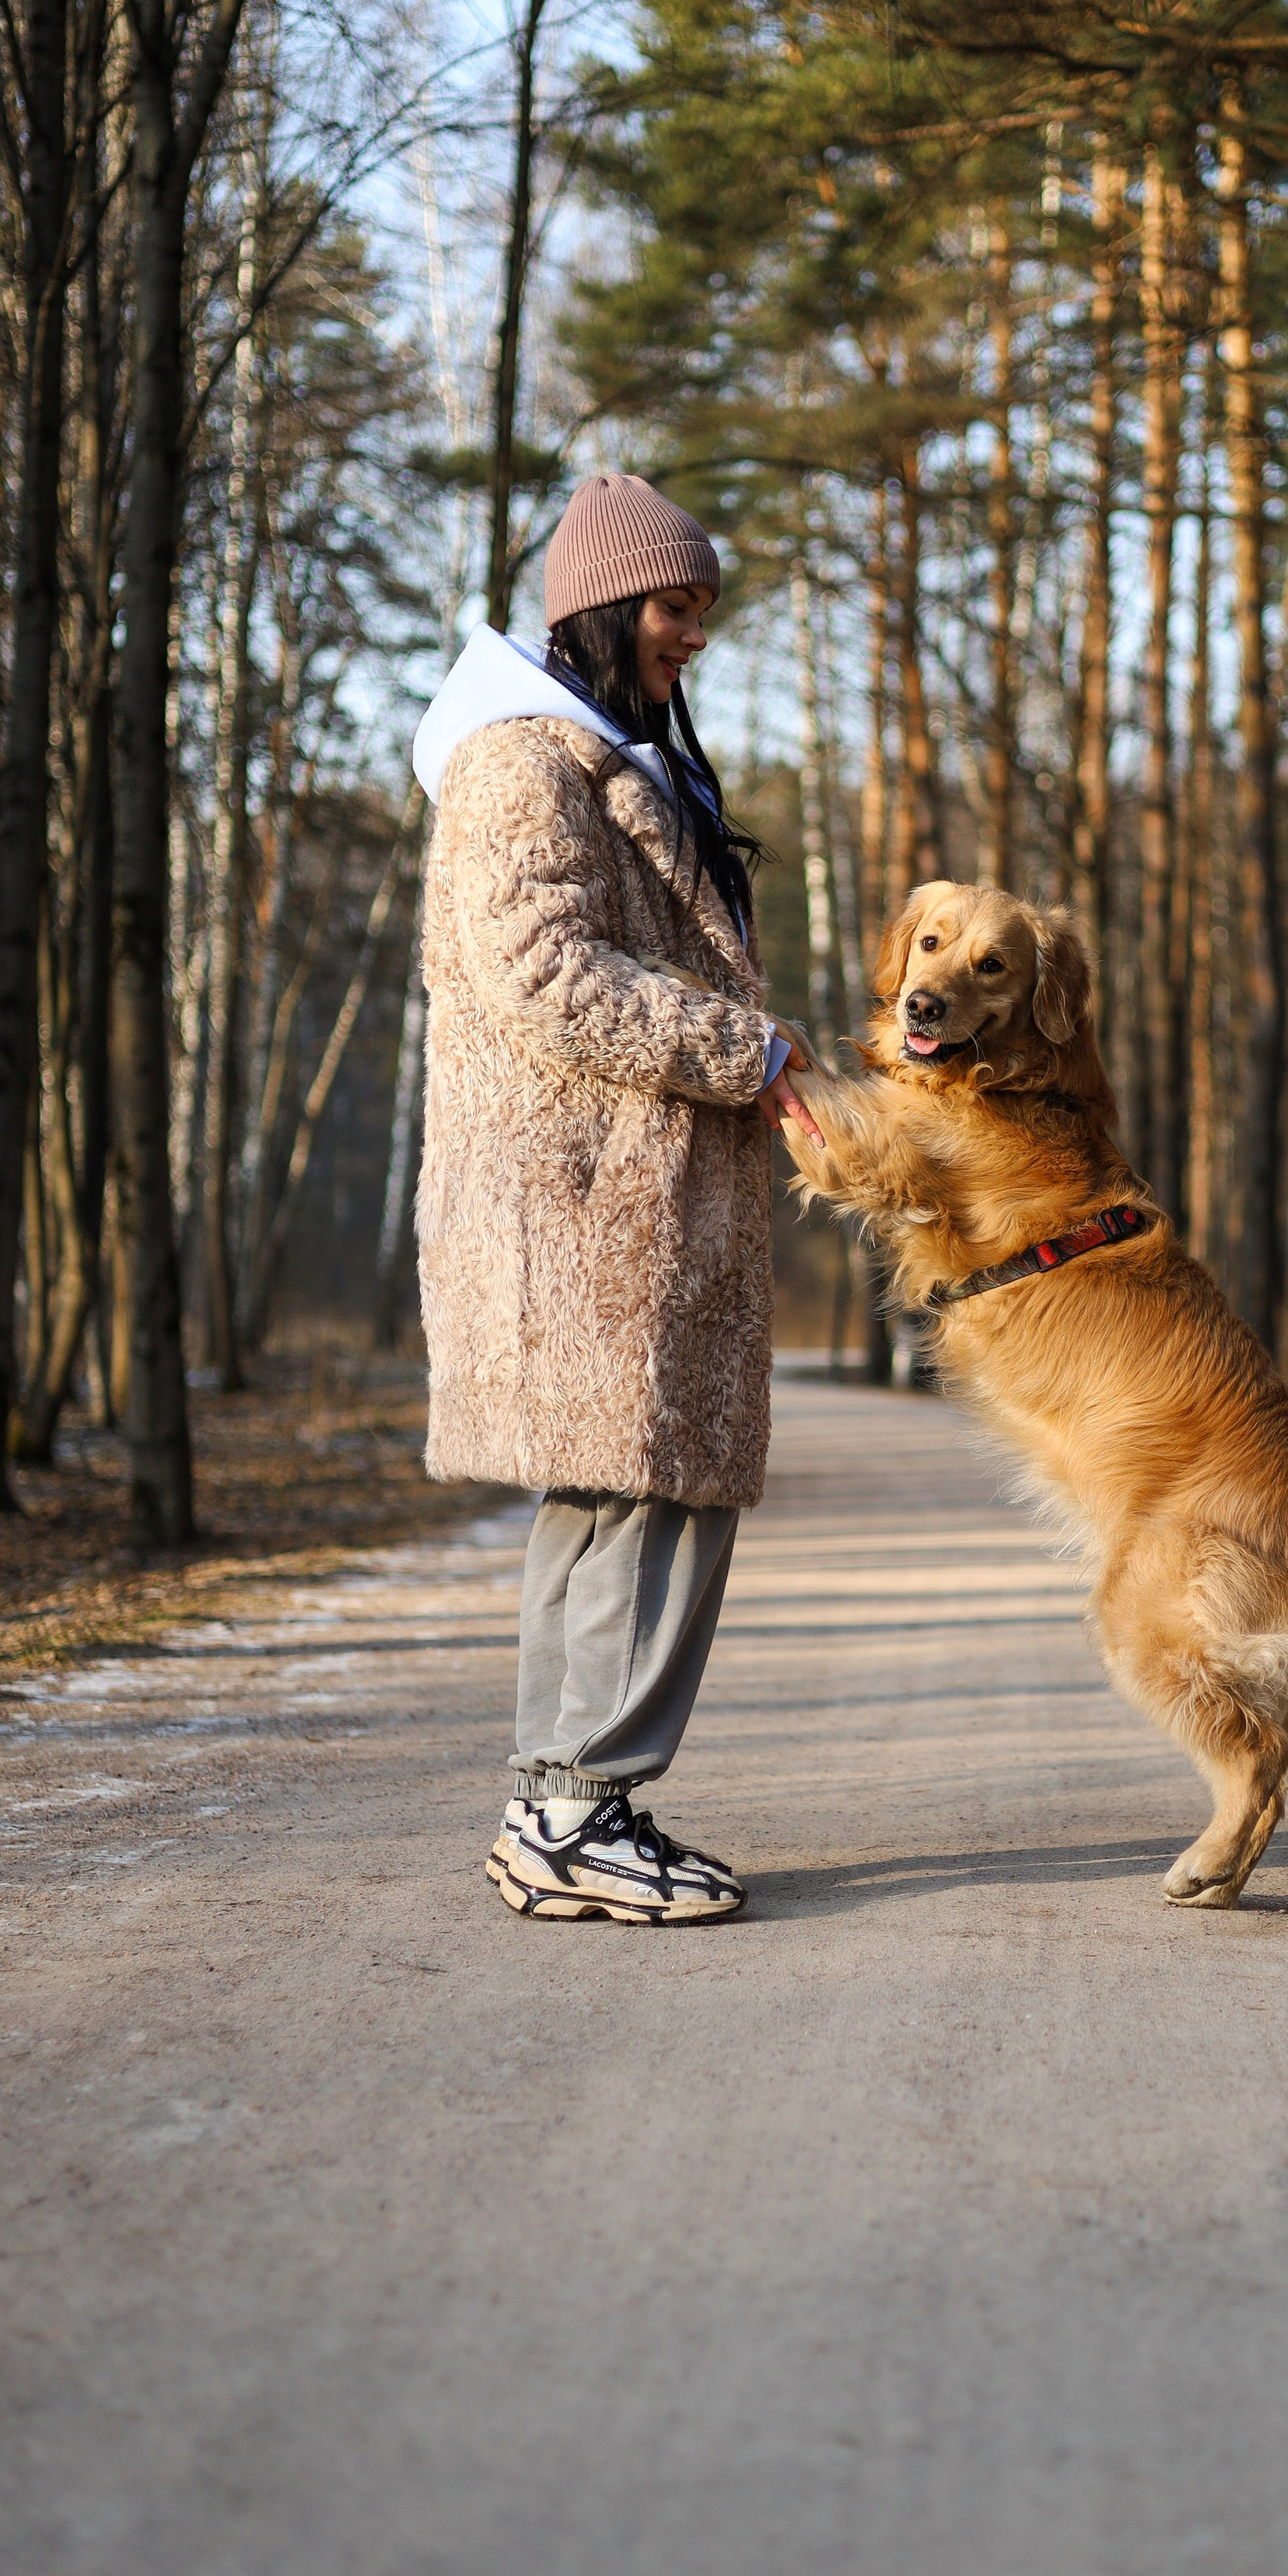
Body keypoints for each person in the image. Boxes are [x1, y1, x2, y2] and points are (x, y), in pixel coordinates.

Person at [410, 471, 821, 1924]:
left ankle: (564, 1807)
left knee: (629, 1501)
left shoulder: (596, 756)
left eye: (702, 611)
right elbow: (545, 974)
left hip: (627, 1209)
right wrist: (745, 1050)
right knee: (641, 1503)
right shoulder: (522, 764)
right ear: (600, 605)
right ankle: (575, 1814)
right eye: (673, 607)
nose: (692, 635)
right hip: (585, 1212)